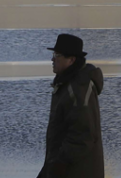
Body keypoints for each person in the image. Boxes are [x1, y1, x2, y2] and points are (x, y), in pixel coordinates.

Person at [38, 33, 104, 178]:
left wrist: (59, 165)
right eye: (53, 54)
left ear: (72, 60)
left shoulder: (78, 88)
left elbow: (83, 136)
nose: (52, 59)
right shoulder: (66, 83)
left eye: (57, 55)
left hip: (77, 171)